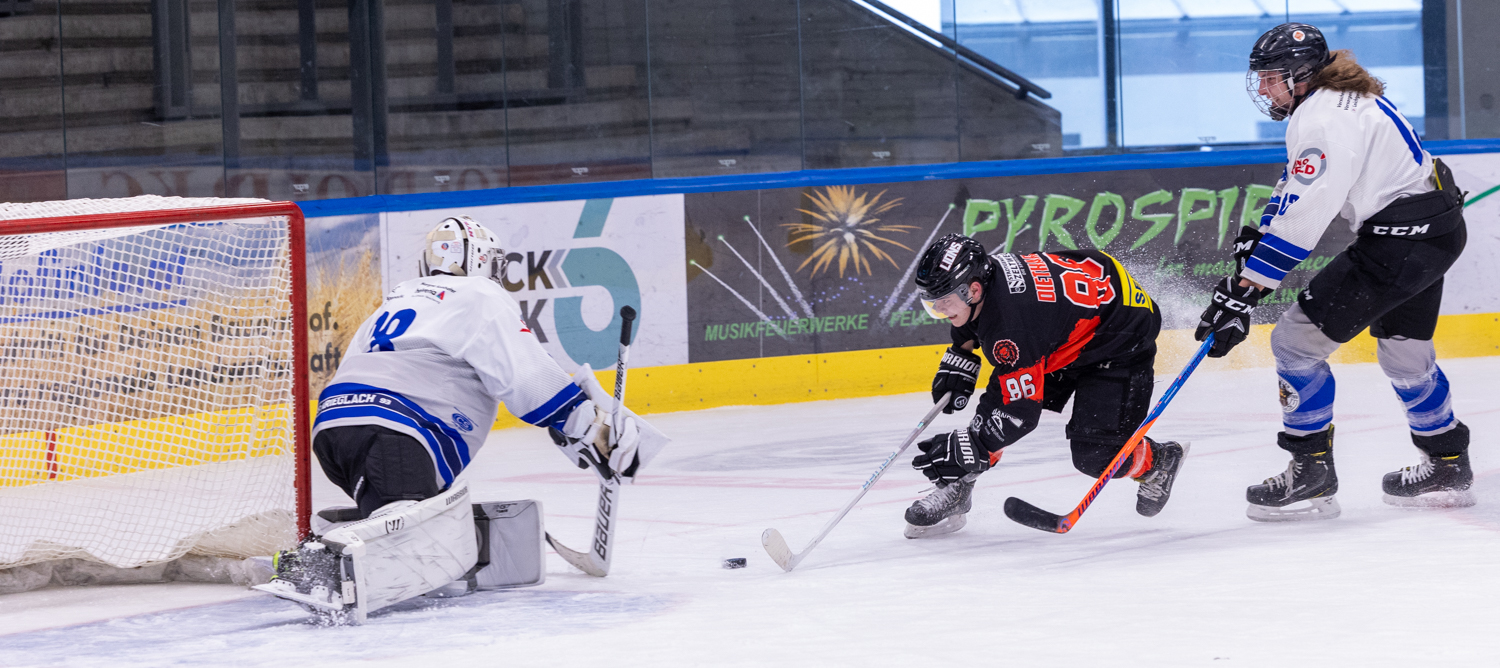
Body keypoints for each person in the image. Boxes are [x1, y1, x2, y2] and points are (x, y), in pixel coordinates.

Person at [262, 216, 664, 619]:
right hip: (398, 432)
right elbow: (524, 374)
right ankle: (310, 563)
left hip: (335, 428)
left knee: (403, 513)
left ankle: (349, 536)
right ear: (480, 260)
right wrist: (588, 426)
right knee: (405, 540)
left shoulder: (399, 298)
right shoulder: (479, 295)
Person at [1196, 23, 1471, 521]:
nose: (1264, 89)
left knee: (1294, 344)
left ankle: (1311, 473)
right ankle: (1448, 461)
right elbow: (1296, 189)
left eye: (1272, 78)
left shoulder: (1323, 118)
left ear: (1300, 73)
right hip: (1434, 235)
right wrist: (1262, 238)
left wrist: (1246, 289)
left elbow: (1308, 213)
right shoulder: (1344, 96)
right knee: (1406, 353)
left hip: (1400, 245)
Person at [904, 233, 1186, 537]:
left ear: (973, 289)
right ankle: (960, 486)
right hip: (1071, 323)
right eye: (933, 303)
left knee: (1097, 457)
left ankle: (1159, 461)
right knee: (999, 404)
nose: (940, 310)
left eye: (945, 302)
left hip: (1121, 339)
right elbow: (983, 319)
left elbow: (1018, 415)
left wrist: (973, 446)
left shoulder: (1012, 326)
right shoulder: (986, 276)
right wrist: (962, 350)